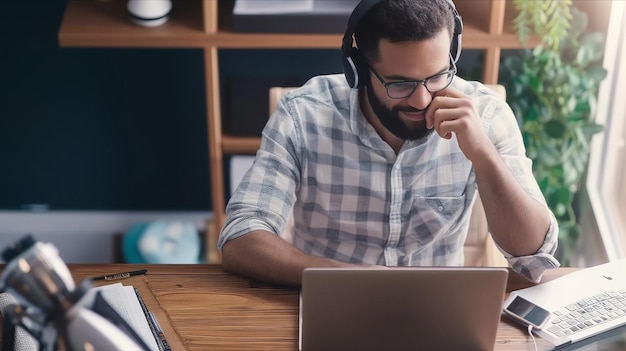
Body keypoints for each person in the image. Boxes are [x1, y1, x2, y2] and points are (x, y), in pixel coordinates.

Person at [218, 0, 560, 287]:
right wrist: (347, 279)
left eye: (438, 76)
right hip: (333, 300)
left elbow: (534, 258)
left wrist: (484, 155)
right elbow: (240, 238)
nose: (422, 99)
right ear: (360, 71)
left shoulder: (486, 115)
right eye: (400, 84)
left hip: (441, 311)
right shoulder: (302, 116)